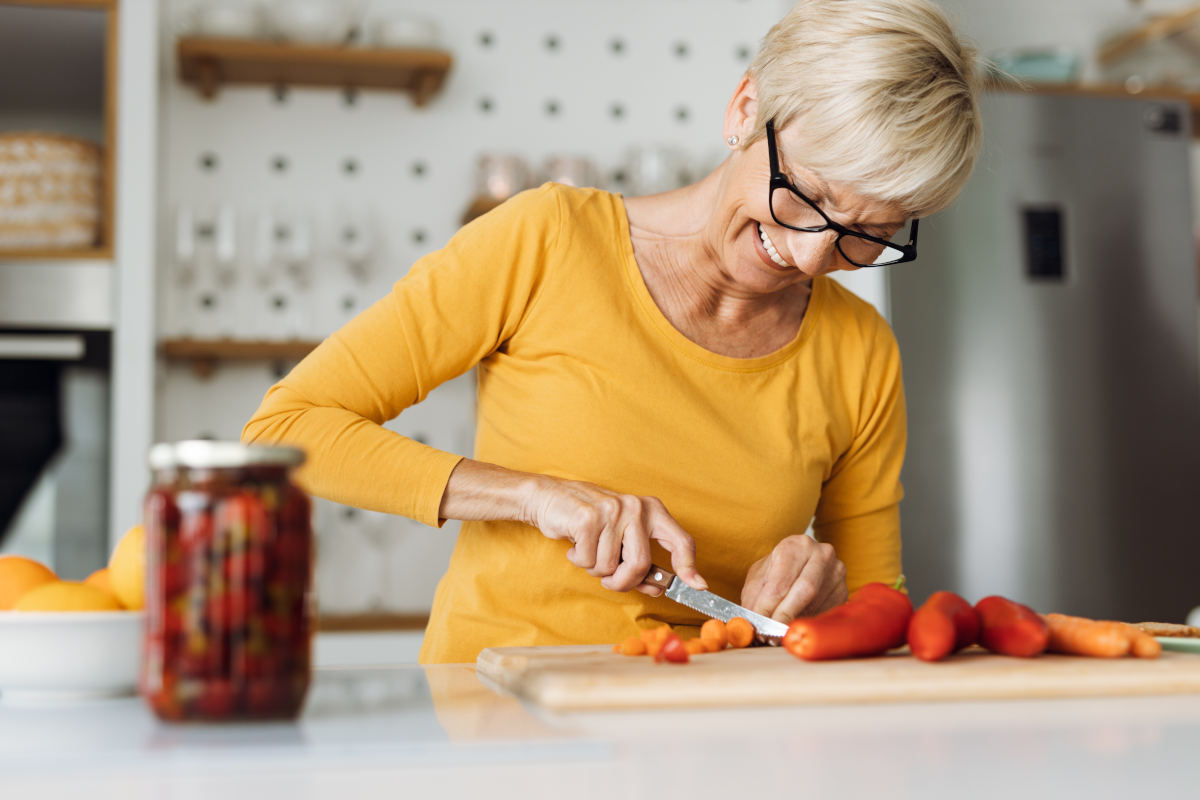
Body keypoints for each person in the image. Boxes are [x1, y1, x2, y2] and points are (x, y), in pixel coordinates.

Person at [243, 0, 982, 664]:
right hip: (500, 720)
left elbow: (884, 608)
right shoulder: (546, 240)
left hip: (714, 740)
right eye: (806, 197)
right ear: (745, 108)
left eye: (868, 235)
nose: (812, 255)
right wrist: (532, 495)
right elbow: (286, 432)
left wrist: (828, 593)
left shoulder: (861, 350)